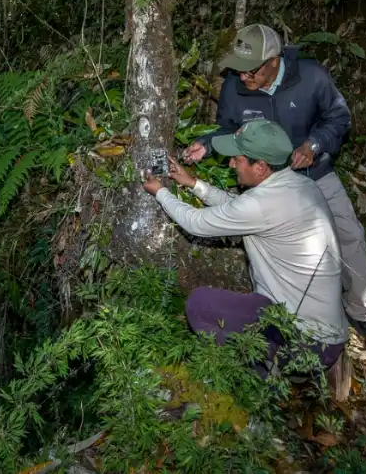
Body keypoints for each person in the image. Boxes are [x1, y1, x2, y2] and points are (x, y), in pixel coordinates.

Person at [181, 23, 366, 337]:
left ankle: (359, 309)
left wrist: (314, 145)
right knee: (261, 242)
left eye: (251, 71)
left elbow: (338, 116)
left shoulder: (310, 77)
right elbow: (227, 129)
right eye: (240, 70)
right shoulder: (235, 86)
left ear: (274, 61)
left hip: (314, 174)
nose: (243, 77)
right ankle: (279, 320)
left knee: (349, 235)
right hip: (266, 185)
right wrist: (206, 143)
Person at [141, 119, 349, 373]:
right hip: (327, 334)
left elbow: (195, 223)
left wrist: (161, 192)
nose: (230, 164)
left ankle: (255, 375)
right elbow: (237, 206)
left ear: (260, 167)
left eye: (237, 159)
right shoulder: (299, 184)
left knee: (199, 304)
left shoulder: (261, 204)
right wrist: (194, 184)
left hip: (306, 342)